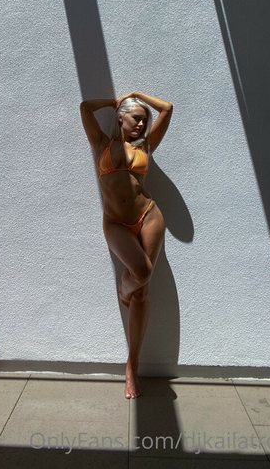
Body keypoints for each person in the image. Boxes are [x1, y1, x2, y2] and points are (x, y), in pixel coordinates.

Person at [80, 91, 173, 398]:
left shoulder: (145, 146)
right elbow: (85, 107)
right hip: (116, 223)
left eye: (144, 121)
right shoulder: (100, 143)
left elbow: (167, 109)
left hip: (149, 216)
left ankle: (132, 367)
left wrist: (137, 95)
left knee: (143, 290)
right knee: (141, 274)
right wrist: (112, 102)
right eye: (136, 118)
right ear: (121, 118)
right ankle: (124, 288)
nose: (141, 125)